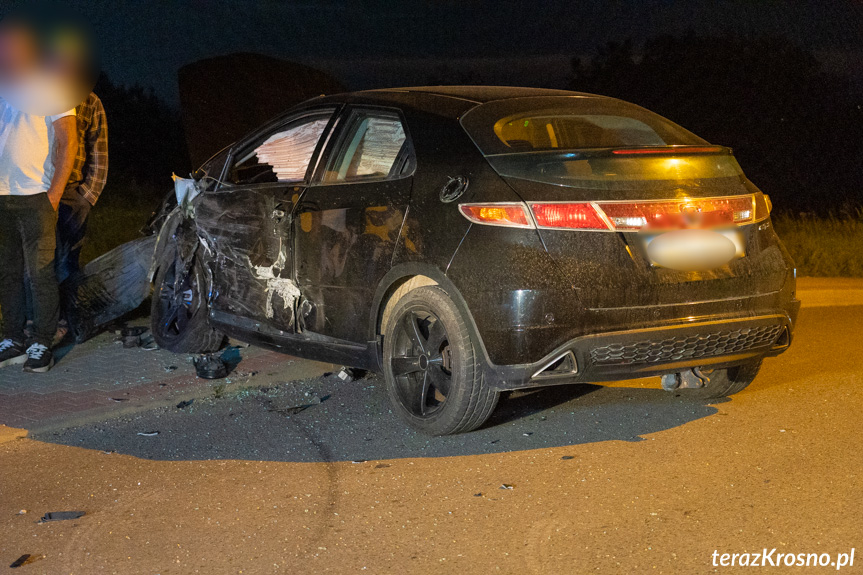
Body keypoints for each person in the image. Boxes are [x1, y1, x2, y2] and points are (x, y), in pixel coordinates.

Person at [0, 20, 79, 373]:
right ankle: (13, 338)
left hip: (37, 197)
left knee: (41, 274)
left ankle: (42, 342)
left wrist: (54, 194)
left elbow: (68, 141)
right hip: (2, 197)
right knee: (7, 273)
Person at [53, 91, 108, 341]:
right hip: (37, 189)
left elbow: (98, 147)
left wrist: (88, 195)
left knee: (67, 260)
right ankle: (40, 321)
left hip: (71, 192)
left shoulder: (89, 101)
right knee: (38, 261)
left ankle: (68, 319)